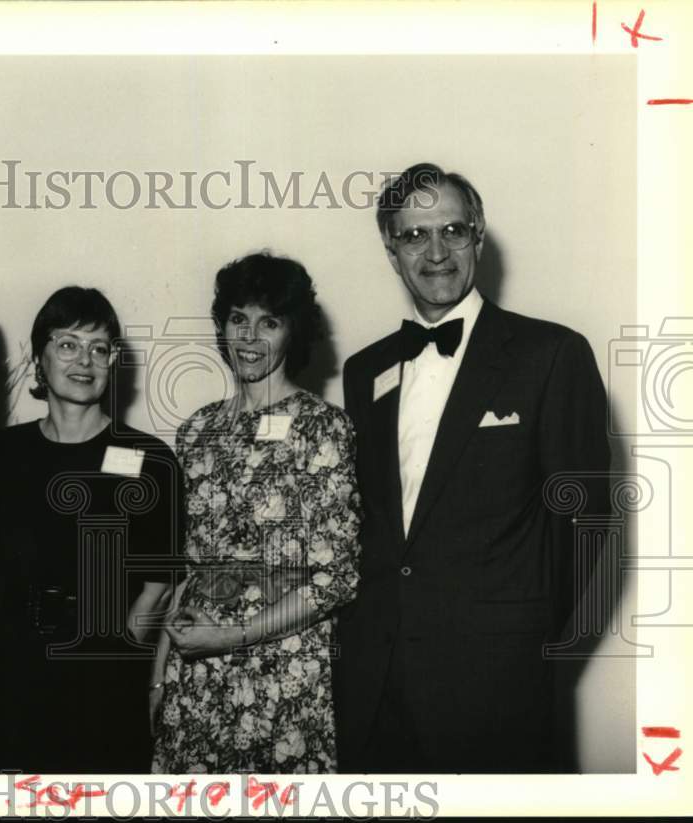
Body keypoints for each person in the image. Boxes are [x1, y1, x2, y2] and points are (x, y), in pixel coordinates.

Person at [335, 163, 611, 773]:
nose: (435, 252)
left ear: (479, 237)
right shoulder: (364, 370)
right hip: (376, 680)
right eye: (413, 235)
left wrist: (526, 643)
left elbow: (587, 524)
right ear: (390, 250)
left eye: (452, 231)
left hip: (497, 685)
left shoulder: (552, 354)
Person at [152, 252, 361, 774]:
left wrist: (230, 637)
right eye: (238, 318)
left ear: (294, 332)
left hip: (282, 672)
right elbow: (184, 572)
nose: (249, 336)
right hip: (194, 673)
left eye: (269, 321)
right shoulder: (195, 431)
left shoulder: (323, 428)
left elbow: (337, 579)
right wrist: (158, 676)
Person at [0, 286, 183, 773]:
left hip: (104, 671)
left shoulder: (150, 460)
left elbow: (159, 584)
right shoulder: (0, 454)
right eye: (68, 344)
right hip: (14, 667)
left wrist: (118, 661)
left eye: (99, 348)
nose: (85, 360)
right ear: (40, 358)